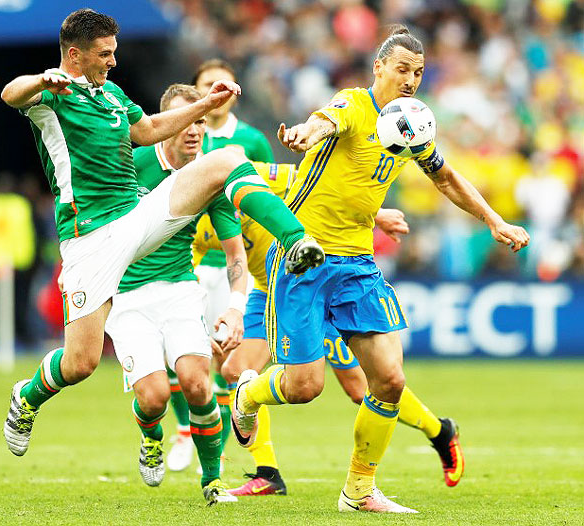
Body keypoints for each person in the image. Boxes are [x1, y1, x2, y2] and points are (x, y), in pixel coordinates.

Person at [0, 8, 325, 503]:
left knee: (226, 160)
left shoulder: (111, 95)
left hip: (135, 220)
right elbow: (10, 93)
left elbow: (148, 128)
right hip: (88, 240)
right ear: (74, 54)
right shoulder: (51, 94)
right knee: (81, 363)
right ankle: (26, 398)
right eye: (105, 54)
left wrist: (204, 105)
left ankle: (296, 239)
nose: (113, 61)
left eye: (114, 51)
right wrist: (41, 80)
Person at [231, 25, 529, 514]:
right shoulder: (353, 104)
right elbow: (324, 122)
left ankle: (359, 490)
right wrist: (307, 132)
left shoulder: (409, 123)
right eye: (402, 69)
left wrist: (494, 220)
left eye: (418, 72)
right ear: (379, 68)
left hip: (358, 263)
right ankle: (247, 396)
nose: (411, 79)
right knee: (305, 387)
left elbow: (446, 177)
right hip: (305, 258)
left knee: (388, 380)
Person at [199, 180, 463, 495]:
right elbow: (204, 259)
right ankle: (267, 472)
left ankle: (439, 431)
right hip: (266, 290)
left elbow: (325, 183)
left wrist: (376, 214)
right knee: (234, 369)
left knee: (360, 386)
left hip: (312, 286)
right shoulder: (195, 211)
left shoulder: (253, 175)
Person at [104, 83, 247, 503]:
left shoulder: (208, 179)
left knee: (198, 385)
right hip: (128, 295)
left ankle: (213, 480)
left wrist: (236, 306)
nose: (194, 129)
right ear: (165, 124)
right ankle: (151, 437)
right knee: (154, 398)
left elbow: (235, 254)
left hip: (181, 289)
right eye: (186, 119)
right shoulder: (130, 164)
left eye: (201, 120)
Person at [166, 59, 277, 472]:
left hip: (235, 262)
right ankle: (183, 430)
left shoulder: (250, 140)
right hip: (187, 260)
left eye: (222, 83)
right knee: (179, 353)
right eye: (207, 84)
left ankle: (217, 449)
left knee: (225, 358)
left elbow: (268, 191)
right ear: (195, 93)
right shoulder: (181, 134)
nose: (216, 89)